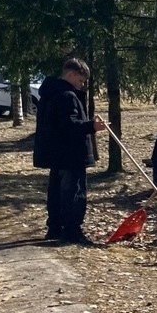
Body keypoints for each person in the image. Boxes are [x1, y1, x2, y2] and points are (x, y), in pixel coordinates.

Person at [31, 57, 104, 245]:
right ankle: (72, 231)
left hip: (56, 154)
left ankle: (55, 227)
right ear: (71, 74)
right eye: (80, 80)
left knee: (57, 192)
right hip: (71, 154)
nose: (81, 85)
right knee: (73, 192)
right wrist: (92, 126)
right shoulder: (67, 96)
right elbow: (69, 126)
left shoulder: (50, 94)